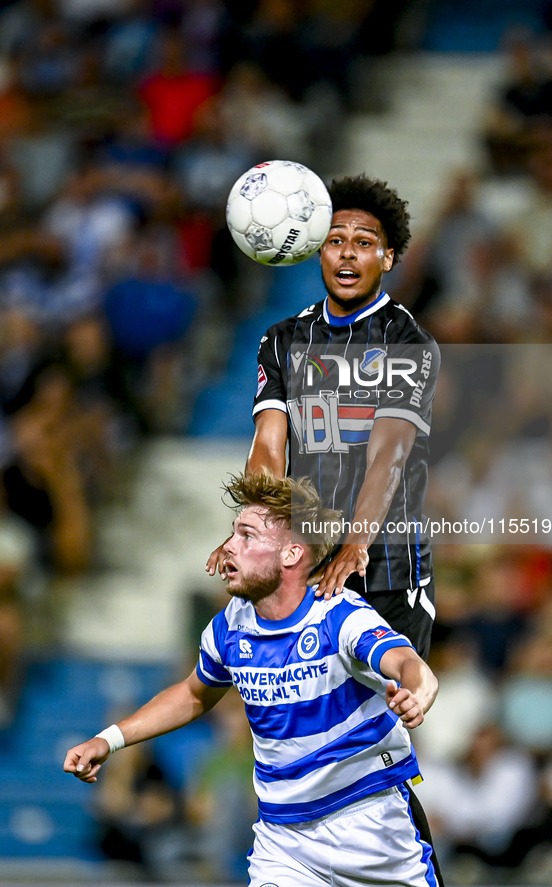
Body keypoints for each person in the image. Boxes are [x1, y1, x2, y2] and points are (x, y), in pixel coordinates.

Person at [65, 470, 440, 887]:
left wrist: (416, 693)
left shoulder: (339, 615)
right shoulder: (230, 626)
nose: (228, 548)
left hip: (372, 827)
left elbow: (409, 664)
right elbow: (193, 694)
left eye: (246, 535)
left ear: (291, 555)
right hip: (284, 843)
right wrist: (109, 739)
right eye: (232, 534)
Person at [207, 173, 440, 661]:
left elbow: (389, 455)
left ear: (388, 258)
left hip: (388, 566)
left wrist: (357, 543)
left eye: (364, 242)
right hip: (309, 556)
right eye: (335, 241)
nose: (348, 253)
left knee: (387, 715)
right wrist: (252, 531)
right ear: (319, 251)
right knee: (313, 723)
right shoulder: (283, 340)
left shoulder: (408, 343)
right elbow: (269, 447)